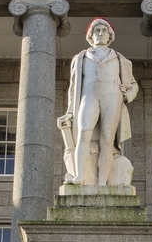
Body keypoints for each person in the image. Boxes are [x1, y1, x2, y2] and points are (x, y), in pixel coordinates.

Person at [58, 17, 138, 188]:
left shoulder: (119, 59)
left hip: (112, 96)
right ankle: (80, 175)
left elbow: (133, 85)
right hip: (89, 95)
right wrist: (70, 112)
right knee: (83, 133)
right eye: (97, 30)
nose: (100, 33)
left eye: (104, 30)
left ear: (110, 36)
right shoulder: (81, 58)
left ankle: (103, 182)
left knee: (107, 138)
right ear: (90, 35)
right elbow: (73, 88)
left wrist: (127, 95)